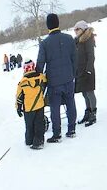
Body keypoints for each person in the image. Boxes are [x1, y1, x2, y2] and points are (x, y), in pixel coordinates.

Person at [36, 13, 77, 142]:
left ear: (48, 26)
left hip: (54, 82)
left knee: (55, 107)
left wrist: (38, 78)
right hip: (69, 79)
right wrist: (72, 74)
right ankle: (71, 129)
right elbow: (75, 59)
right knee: (70, 103)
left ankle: (57, 134)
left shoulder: (45, 43)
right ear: (58, 23)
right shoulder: (69, 38)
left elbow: (40, 63)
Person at [16, 61, 47, 150]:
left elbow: (19, 97)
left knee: (29, 125)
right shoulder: (41, 77)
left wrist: (18, 108)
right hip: (39, 106)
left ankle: (29, 140)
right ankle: (38, 142)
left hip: (28, 108)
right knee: (39, 124)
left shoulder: (22, 82)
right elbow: (45, 83)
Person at [73, 21, 97, 127]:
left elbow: (91, 56)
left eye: (77, 29)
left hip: (87, 70)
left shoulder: (88, 39)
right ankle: (88, 112)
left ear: (82, 29)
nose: (75, 31)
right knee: (84, 93)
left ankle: (93, 113)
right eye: (75, 29)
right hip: (80, 70)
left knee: (89, 92)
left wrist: (89, 69)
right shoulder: (78, 41)